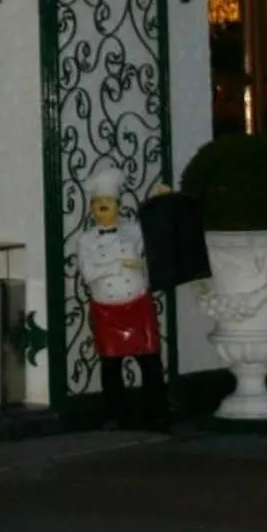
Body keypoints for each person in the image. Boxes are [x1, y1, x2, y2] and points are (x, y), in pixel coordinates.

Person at [75, 163, 170, 430]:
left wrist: (162, 202)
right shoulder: (86, 240)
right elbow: (89, 273)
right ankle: (114, 415)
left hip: (137, 305)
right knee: (111, 365)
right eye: (98, 203)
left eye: (108, 201)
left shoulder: (133, 230)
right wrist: (117, 265)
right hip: (108, 310)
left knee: (150, 361)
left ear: (117, 205)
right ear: (92, 207)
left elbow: (157, 236)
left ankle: (157, 414)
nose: (103, 207)